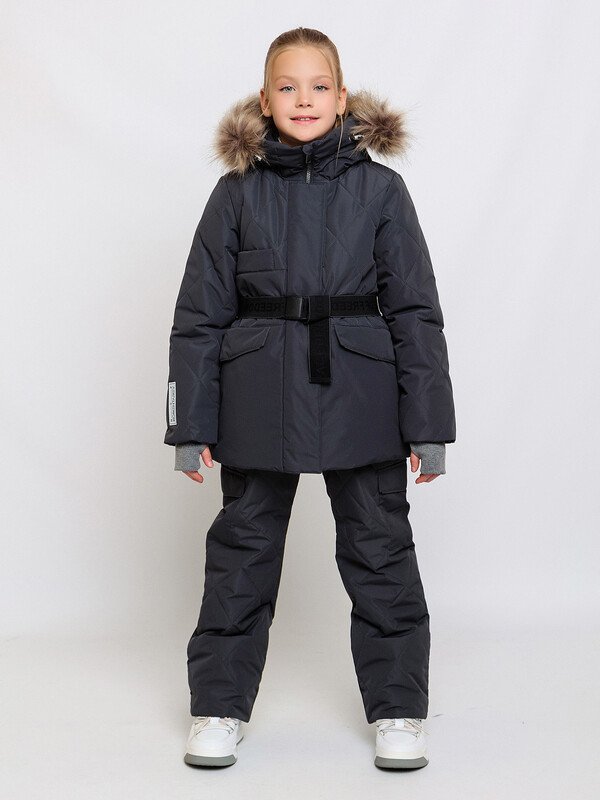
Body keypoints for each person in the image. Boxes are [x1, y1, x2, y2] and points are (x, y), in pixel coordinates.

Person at [164, 26, 456, 770]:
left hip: (360, 393)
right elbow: (199, 315)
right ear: (264, 101)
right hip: (259, 397)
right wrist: (188, 424)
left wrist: (429, 426)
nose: (303, 100)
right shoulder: (236, 194)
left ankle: (397, 708)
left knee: (380, 550)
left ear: (343, 97)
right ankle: (219, 706)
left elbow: (416, 311)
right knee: (242, 554)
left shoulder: (381, 190)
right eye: (287, 87)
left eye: (318, 86)